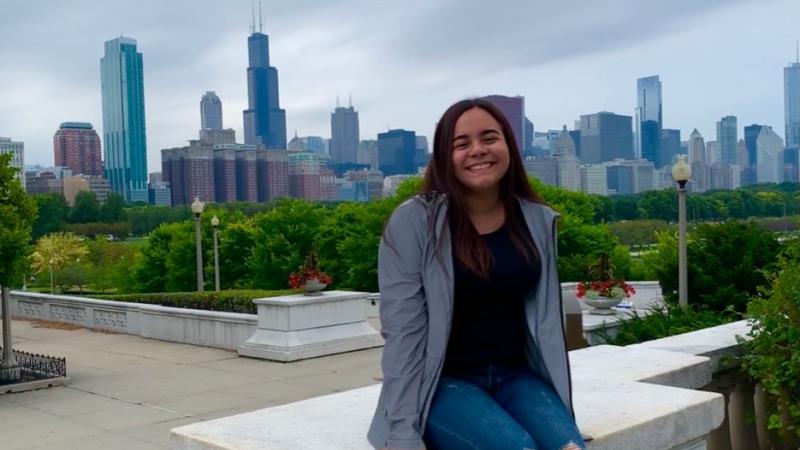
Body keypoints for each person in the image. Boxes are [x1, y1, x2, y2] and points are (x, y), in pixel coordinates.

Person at [367, 99, 586, 450]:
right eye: (461, 144)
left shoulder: (536, 220)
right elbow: (403, 335)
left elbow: (545, 325)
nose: (478, 151)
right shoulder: (415, 222)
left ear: (508, 146)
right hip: (441, 384)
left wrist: (562, 423)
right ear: (443, 156)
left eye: (489, 138)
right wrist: (402, 433)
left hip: (516, 376)